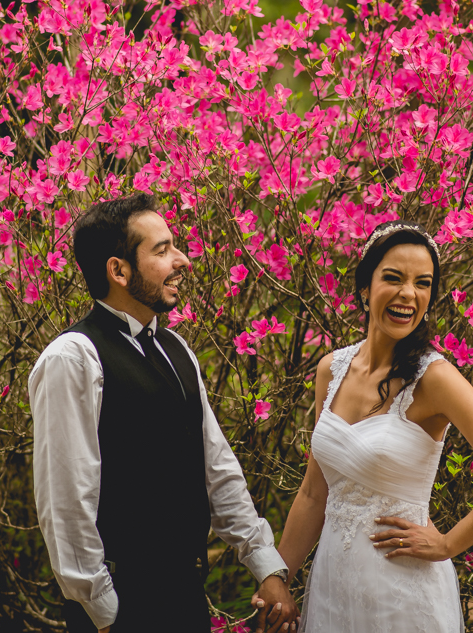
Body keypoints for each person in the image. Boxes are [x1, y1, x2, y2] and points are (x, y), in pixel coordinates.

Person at [29, 193, 297, 632]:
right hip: (119, 605)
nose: (183, 260)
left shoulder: (177, 350)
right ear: (118, 271)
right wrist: (104, 612)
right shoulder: (73, 358)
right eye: (162, 250)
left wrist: (266, 566)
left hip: (185, 595)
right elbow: (66, 501)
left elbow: (216, 469)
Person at [264, 221, 473, 632]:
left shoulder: (435, 378)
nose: (409, 293)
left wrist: (447, 544)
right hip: (333, 585)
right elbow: (313, 493)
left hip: (402, 592)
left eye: (422, 283)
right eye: (394, 278)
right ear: (365, 287)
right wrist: (279, 578)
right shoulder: (331, 370)